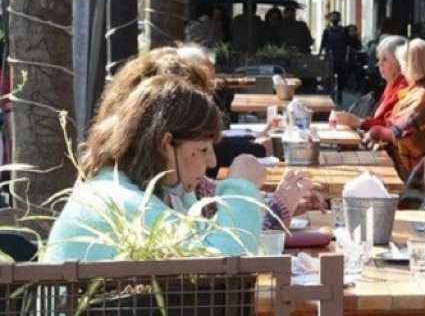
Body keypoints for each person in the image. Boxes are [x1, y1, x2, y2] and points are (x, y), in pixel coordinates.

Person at [43, 76, 266, 262]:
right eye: (203, 149)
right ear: (165, 144)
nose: (212, 162)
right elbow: (225, 263)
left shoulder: (126, 188)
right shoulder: (125, 203)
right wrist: (241, 188)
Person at [98, 46, 320, 230]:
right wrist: (255, 194)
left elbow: (217, 219)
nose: (212, 160)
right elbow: (224, 253)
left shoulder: (163, 182)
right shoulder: (133, 199)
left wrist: (275, 204)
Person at [363, 39, 425, 177]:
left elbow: (398, 133)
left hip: (416, 169)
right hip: (419, 162)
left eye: (403, 66)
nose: (403, 71)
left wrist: (376, 132)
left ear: (410, 66)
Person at [330, 35, 409, 130]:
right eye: (379, 59)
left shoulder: (403, 88)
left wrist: (359, 122)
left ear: (400, 62)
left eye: (385, 59)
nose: (379, 64)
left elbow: (391, 127)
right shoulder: (391, 84)